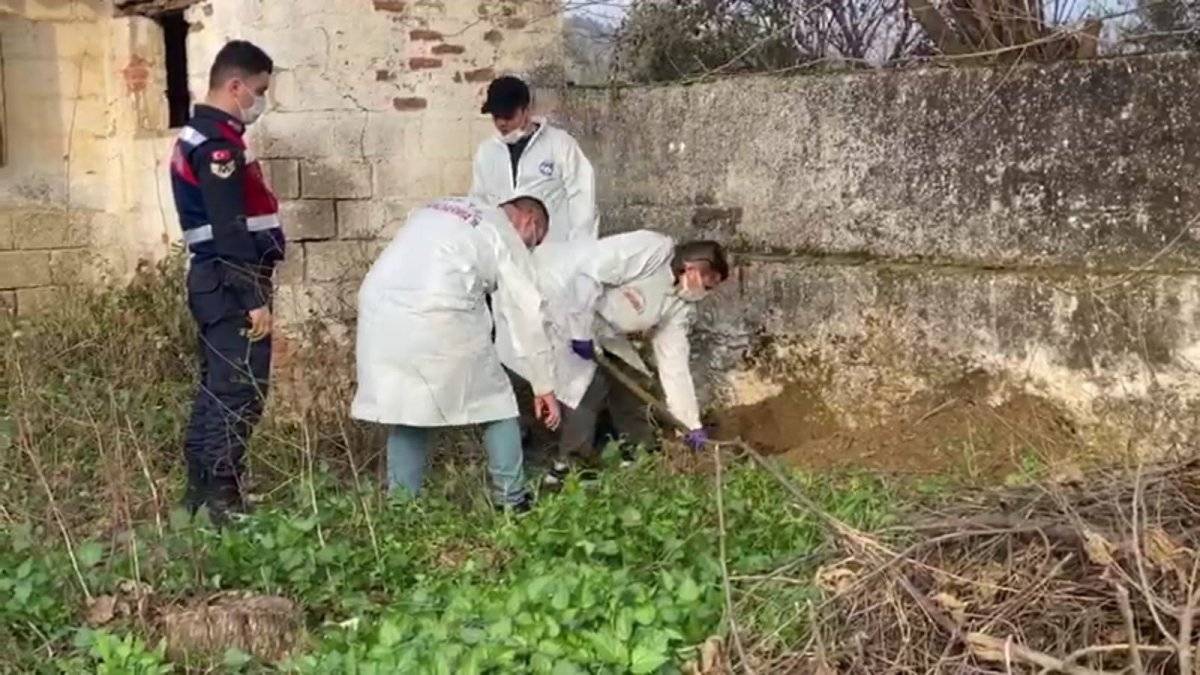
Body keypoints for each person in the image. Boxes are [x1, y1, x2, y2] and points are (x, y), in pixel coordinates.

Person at [351, 180, 565, 511]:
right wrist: (543, 384)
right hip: (440, 309)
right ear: (529, 221)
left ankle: (402, 508)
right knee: (498, 404)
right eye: (533, 242)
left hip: (378, 308)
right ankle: (513, 500)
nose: (529, 250)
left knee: (407, 409)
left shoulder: (442, 206)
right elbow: (527, 312)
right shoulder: (504, 233)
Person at [495, 231, 730, 485]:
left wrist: (690, 423)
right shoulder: (653, 250)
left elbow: (675, 366)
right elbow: (587, 276)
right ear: (691, 268)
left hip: (602, 331)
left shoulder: (679, 307)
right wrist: (580, 332)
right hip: (561, 305)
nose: (706, 292)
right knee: (587, 388)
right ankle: (570, 466)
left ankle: (640, 452)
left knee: (631, 378)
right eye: (708, 285)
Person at [170, 40, 281, 519]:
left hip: (215, 281)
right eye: (260, 90)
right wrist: (253, 297)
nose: (261, 100)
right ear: (236, 86)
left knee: (218, 388)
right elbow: (230, 228)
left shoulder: (201, 135)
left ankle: (199, 493)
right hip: (230, 282)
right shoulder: (217, 145)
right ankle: (223, 500)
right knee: (238, 390)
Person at [470, 76, 598, 244]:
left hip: (555, 248)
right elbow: (478, 202)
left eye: (508, 116)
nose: (501, 123)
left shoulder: (560, 144)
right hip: (504, 250)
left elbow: (583, 194)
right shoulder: (486, 152)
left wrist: (580, 244)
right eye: (496, 116)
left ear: (526, 110)